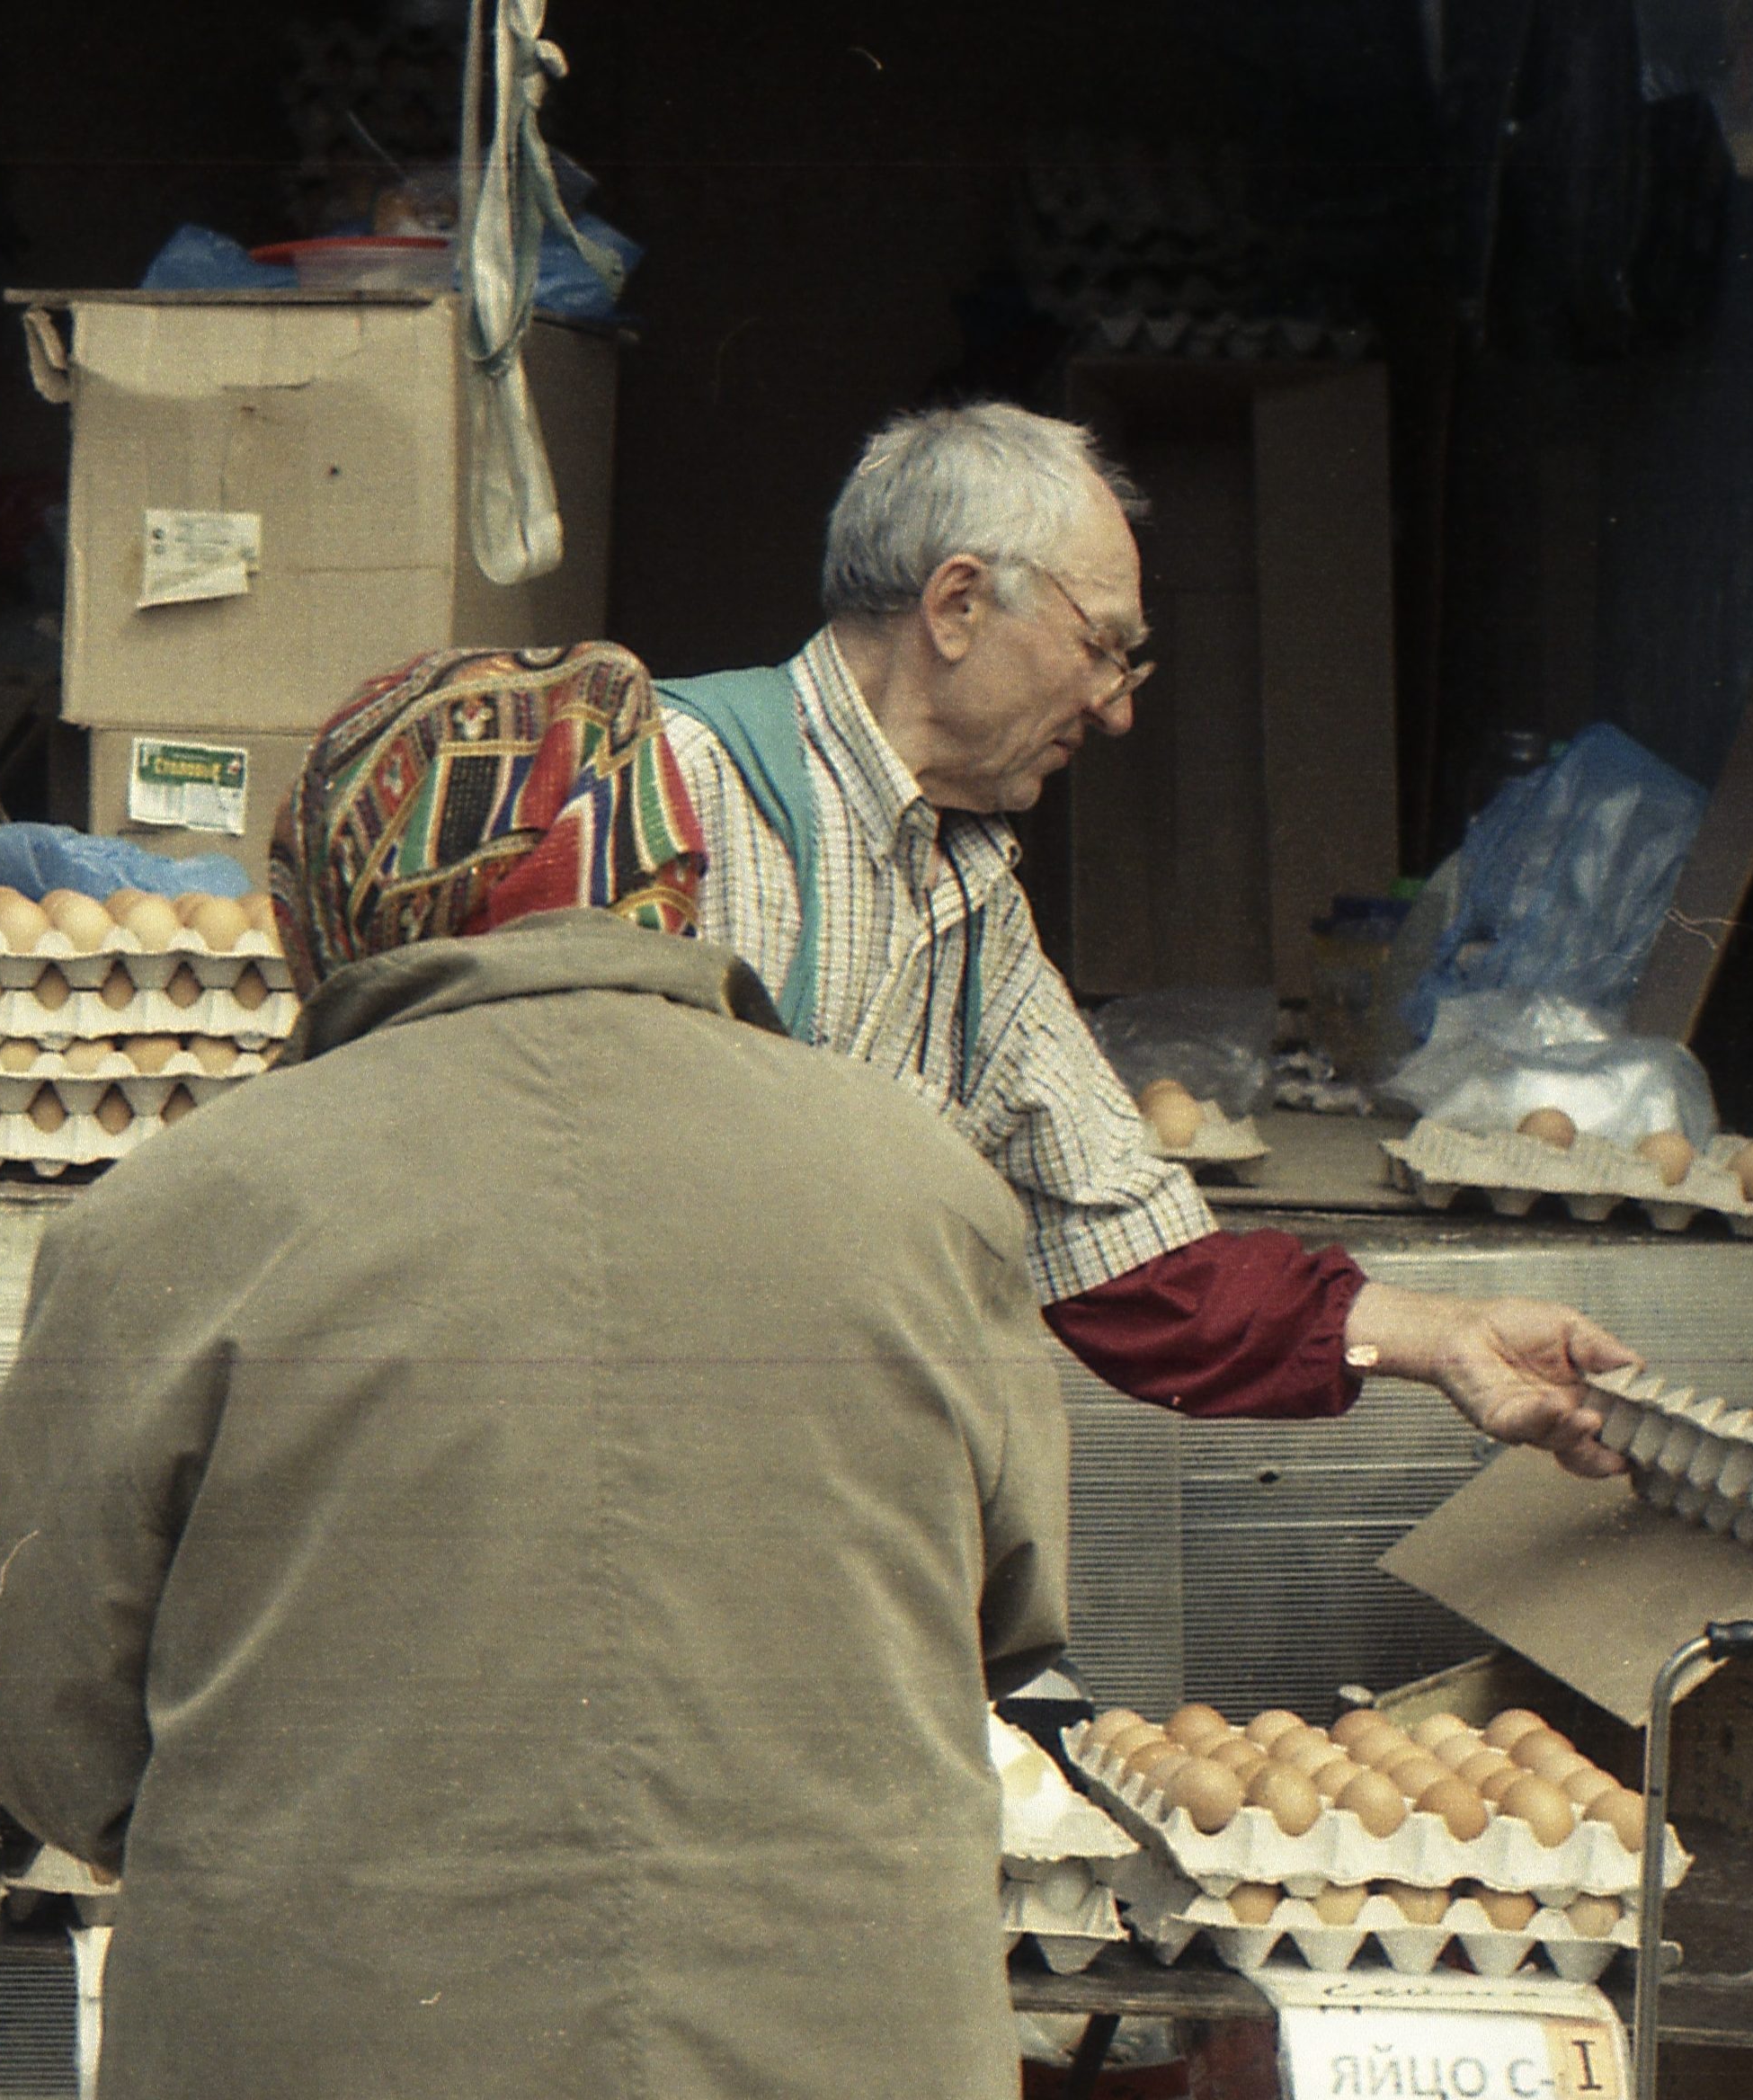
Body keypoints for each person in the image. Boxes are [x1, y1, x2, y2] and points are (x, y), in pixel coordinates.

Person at [0, 645, 1067, 2100]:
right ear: (663, 862)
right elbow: (1004, 1622)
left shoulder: (183, 1210)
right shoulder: (923, 1191)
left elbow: (38, 1706)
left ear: (337, 887)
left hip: (326, 2095)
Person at [658, 402, 1635, 1471]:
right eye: (1102, 648)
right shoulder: (667, 790)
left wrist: (1448, 1336)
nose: (1117, 710)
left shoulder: (973, 909)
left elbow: (1140, 1271)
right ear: (958, 604)